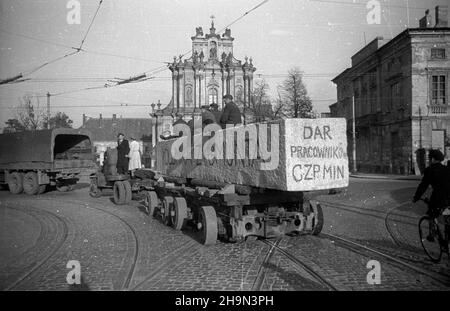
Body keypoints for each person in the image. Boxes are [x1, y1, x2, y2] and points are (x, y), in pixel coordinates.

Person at [413, 149, 450, 246]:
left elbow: (423, 186)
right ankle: (447, 239)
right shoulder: (447, 169)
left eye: (430, 158)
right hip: (449, 198)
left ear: (433, 159)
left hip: (438, 198)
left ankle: (432, 234)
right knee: (447, 217)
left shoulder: (430, 170)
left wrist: (416, 197)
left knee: (431, 213)